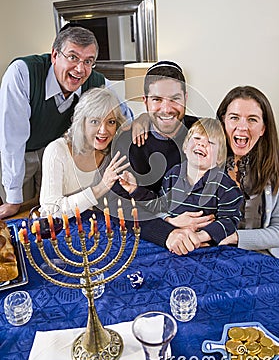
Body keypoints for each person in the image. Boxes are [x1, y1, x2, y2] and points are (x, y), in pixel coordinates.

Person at [0, 26, 132, 219]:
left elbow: (123, 116)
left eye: (88, 61)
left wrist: (138, 127)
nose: (80, 69)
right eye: (73, 57)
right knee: (19, 215)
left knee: (45, 216)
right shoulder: (22, 73)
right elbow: (12, 138)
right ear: (55, 55)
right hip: (20, 153)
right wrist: (13, 198)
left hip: (55, 151)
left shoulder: (96, 80)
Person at [166, 86, 279, 260]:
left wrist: (232, 237)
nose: (242, 127)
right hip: (208, 253)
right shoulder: (203, 154)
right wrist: (141, 121)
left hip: (261, 256)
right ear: (222, 122)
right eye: (234, 118)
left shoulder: (278, 163)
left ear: (263, 128)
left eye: (252, 119)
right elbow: (171, 122)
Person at [120, 118, 243, 246]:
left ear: (219, 157)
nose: (201, 144)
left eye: (210, 142)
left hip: (205, 247)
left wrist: (200, 237)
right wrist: (135, 189)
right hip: (174, 242)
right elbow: (160, 206)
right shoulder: (173, 175)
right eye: (197, 138)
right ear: (185, 147)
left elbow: (229, 221)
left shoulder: (226, 186)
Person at [39, 87, 130, 217]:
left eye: (111, 122)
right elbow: (51, 211)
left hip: (97, 228)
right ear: (82, 123)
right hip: (62, 231)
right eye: (95, 121)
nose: (103, 130)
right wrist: (100, 188)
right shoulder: (56, 151)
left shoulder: (113, 151)